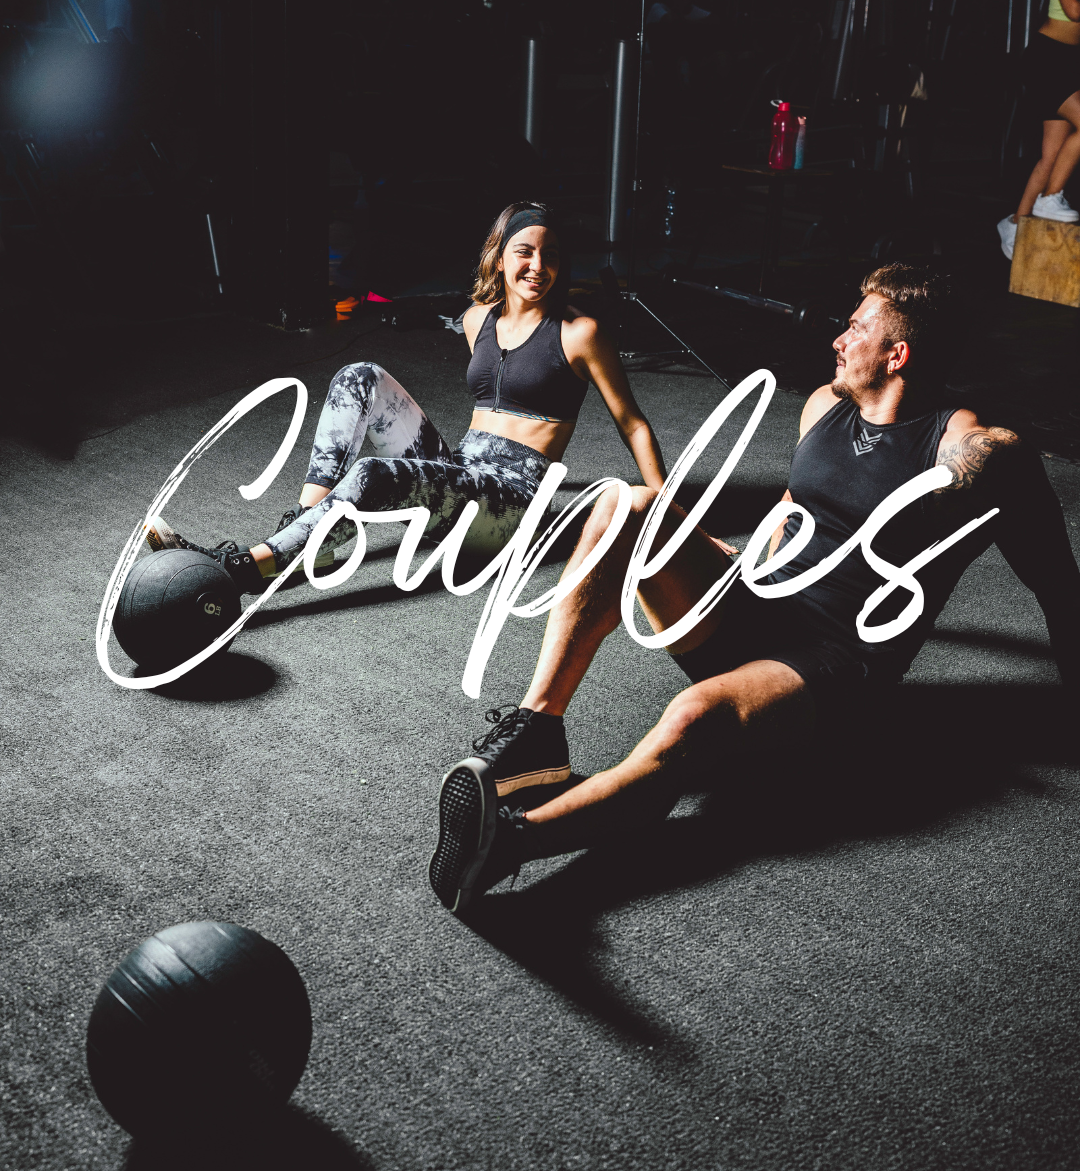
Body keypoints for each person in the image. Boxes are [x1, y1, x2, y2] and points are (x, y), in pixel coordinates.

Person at [428, 263, 1080, 915]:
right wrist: (731, 560)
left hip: (832, 665)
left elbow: (1058, 584)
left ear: (897, 354)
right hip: (757, 609)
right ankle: (540, 726)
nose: (838, 340)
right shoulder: (826, 406)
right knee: (628, 505)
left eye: (856, 329)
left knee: (692, 718)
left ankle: (512, 840)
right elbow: (797, 507)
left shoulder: (978, 457)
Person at [144, 202, 676, 594]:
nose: (538, 265)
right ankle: (305, 530)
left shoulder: (580, 333)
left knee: (374, 474)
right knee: (359, 375)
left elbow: (632, 423)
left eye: (550, 255)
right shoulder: (478, 320)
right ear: (499, 259)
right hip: (462, 470)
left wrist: (671, 516)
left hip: (510, 504)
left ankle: (242, 568)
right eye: (525, 251)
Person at [998, 0, 1080, 258]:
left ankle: (1015, 224)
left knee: (1052, 155)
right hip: (1047, 59)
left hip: (1069, 62)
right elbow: (1073, 9)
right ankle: (1050, 198)